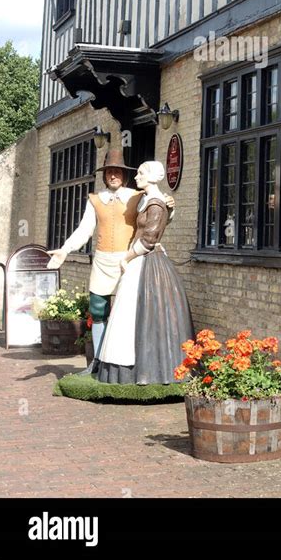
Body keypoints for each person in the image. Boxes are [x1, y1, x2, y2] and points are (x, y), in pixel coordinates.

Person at [47, 149, 174, 374]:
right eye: (109, 172)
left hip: (128, 259)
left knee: (127, 310)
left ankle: (127, 365)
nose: (113, 176)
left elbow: (156, 217)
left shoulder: (138, 196)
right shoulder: (95, 200)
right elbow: (84, 230)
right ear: (104, 175)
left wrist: (170, 207)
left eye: (117, 172)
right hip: (103, 260)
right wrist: (65, 250)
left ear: (123, 175)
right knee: (98, 309)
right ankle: (97, 362)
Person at [97, 160, 194, 385]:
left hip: (147, 261)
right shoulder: (145, 200)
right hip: (139, 261)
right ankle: (129, 371)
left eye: (140, 173)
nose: (137, 176)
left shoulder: (155, 203)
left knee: (146, 314)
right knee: (133, 315)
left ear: (151, 177)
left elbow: (150, 239)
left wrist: (127, 257)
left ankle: (152, 372)